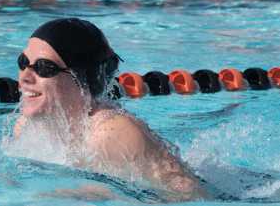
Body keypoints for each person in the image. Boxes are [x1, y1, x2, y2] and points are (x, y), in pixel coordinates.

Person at [12, 18, 209, 202]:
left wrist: (81, 193)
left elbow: (190, 196)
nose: (25, 77)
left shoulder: (112, 133)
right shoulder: (25, 127)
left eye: (44, 67)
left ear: (82, 79)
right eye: (23, 62)